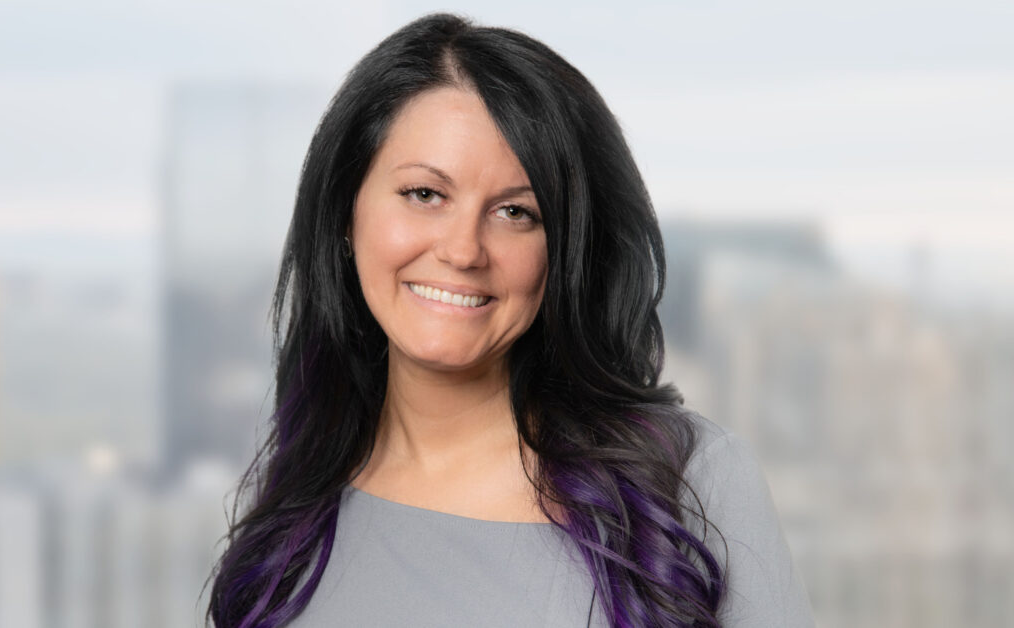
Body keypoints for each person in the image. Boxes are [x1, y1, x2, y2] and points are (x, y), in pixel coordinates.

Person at [206, 12, 813, 628]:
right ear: (345, 211)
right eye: (424, 195)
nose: (464, 250)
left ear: (565, 252)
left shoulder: (691, 483)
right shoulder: (292, 502)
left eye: (516, 212)